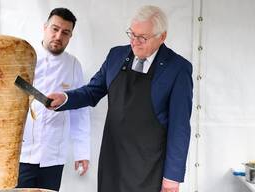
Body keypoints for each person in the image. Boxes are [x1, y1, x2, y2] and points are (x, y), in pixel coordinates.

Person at [48, 5, 193, 192]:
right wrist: (65, 98)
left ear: (162, 36)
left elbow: (180, 127)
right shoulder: (116, 55)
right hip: (113, 160)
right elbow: (92, 91)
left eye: (142, 37)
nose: (135, 42)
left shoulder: (177, 68)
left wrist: (172, 177)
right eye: (132, 34)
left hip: (149, 166)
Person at [17, 7, 91, 191]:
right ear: (45, 27)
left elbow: (79, 111)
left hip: (53, 154)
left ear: (70, 36)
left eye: (65, 32)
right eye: (55, 29)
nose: (58, 36)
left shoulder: (73, 65)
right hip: (22, 153)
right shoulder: (23, 58)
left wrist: (82, 152)